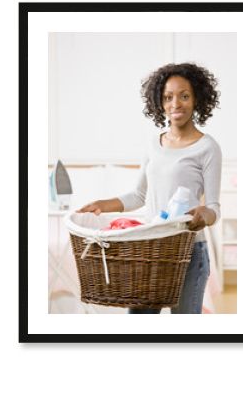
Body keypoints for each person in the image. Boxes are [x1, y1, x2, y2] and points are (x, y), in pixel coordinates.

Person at [77, 62, 222, 314]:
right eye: (168, 97)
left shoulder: (207, 148)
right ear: (160, 103)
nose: (175, 104)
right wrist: (104, 204)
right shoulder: (153, 145)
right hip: (151, 249)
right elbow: (139, 195)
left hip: (188, 251)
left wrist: (204, 215)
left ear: (197, 98)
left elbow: (214, 208)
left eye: (184, 96)